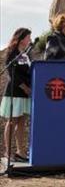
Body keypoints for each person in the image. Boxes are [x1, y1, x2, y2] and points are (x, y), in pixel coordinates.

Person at [0, 28, 32, 162]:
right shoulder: (12, 53)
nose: (30, 40)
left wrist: (30, 86)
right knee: (12, 121)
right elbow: (12, 74)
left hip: (25, 93)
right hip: (15, 91)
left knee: (22, 122)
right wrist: (24, 87)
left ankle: (21, 152)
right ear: (21, 38)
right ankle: (8, 152)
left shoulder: (27, 54)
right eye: (28, 37)